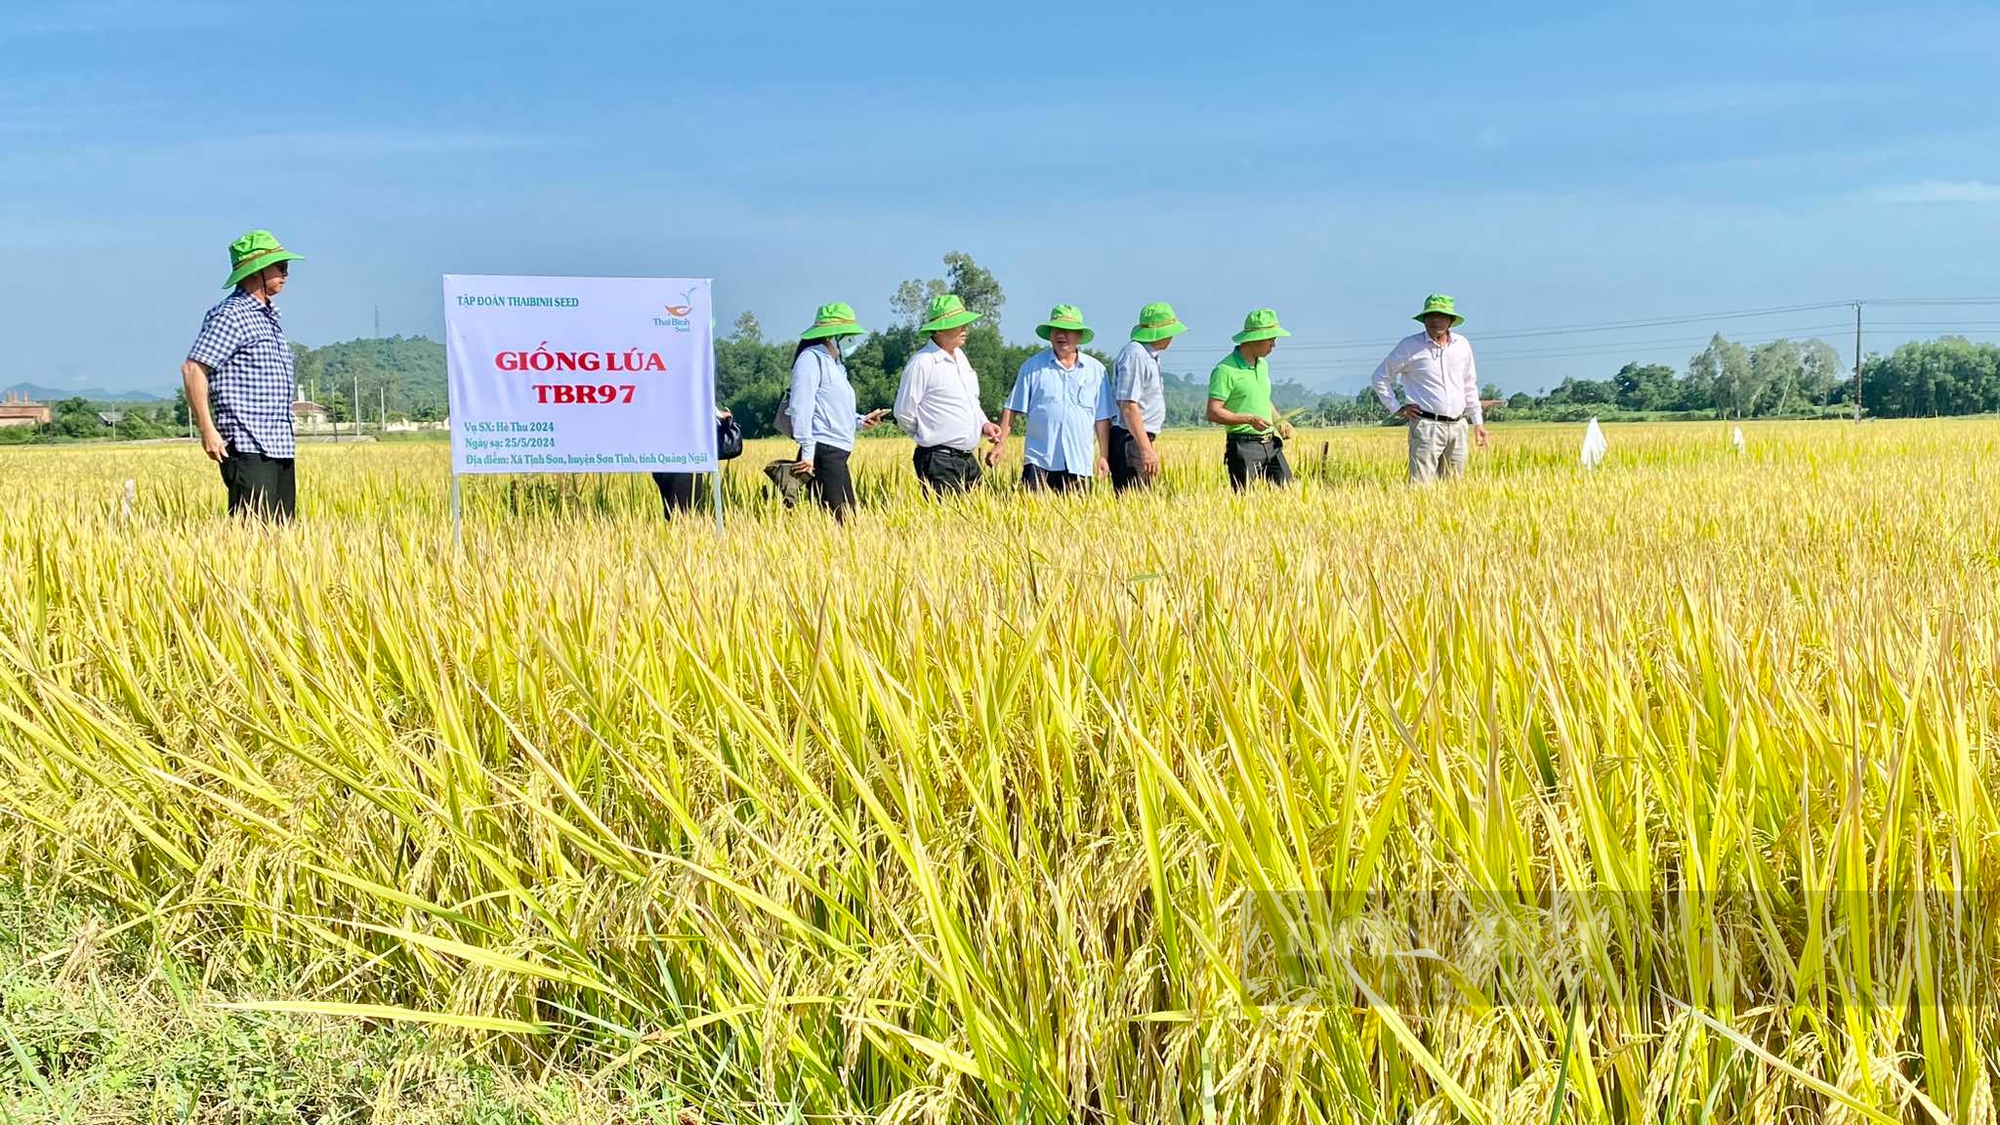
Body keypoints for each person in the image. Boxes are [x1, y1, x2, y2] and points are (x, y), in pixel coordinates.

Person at [181, 229, 305, 520]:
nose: (286, 273)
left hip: (279, 443)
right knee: (253, 535)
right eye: (281, 266)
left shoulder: (270, 317)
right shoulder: (231, 314)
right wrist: (208, 431)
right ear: (256, 272)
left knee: (282, 536)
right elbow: (193, 369)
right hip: (247, 444)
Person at [988, 305, 1113, 493]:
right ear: (1050, 334)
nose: (1061, 335)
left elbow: (1102, 417)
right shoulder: (1032, 368)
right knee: (1033, 515)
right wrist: (1000, 444)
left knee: (1078, 517)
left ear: (1079, 336)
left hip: (1078, 461)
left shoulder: (1096, 371)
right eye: (1056, 330)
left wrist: (1104, 456)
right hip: (1039, 459)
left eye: (1068, 331)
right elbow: (1012, 408)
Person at [1370, 293, 1488, 484]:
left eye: (1441, 316)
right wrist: (1397, 408)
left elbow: (1469, 384)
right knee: (1421, 486)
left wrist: (1478, 423)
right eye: (1430, 316)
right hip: (1426, 426)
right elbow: (1380, 377)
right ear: (1424, 320)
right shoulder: (1410, 346)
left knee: (1455, 486)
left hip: (1458, 425)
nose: (1435, 321)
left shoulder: (1462, 345)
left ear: (1450, 321)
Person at [895, 294, 1002, 495]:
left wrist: (983, 424)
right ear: (939, 329)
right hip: (938, 459)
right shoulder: (922, 362)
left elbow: (971, 400)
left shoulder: (961, 358)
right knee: (947, 519)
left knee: (977, 518)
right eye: (958, 324)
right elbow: (903, 412)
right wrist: (927, 435)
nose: (965, 329)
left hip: (967, 458)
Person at [787, 302, 886, 520]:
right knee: (842, 520)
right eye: (848, 335)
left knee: (846, 518)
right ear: (831, 336)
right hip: (823, 451)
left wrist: (861, 421)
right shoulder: (810, 360)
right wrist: (807, 451)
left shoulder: (836, 365)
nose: (852, 340)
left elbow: (835, 408)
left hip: (838, 451)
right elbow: (800, 407)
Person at [1207, 309, 1295, 490]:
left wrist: (1279, 421)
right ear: (1255, 338)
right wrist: (1249, 419)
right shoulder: (1225, 370)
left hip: (1270, 443)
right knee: (1245, 501)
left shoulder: (1262, 365)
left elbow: (1263, 398)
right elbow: (1213, 412)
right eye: (1271, 339)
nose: (1274, 345)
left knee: (1288, 491)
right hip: (1243, 446)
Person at [1109, 302, 1187, 491]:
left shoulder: (1149, 355)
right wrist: (1145, 449)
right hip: (1131, 440)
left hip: (1137, 438)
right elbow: (1128, 404)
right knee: (1136, 501)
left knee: (1143, 500)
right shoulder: (1136, 355)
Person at [650, 408, 733, 517]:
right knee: (687, 513)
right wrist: (719, 414)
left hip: (663, 458)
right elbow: (699, 403)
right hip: (686, 459)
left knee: (672, 510)